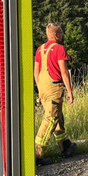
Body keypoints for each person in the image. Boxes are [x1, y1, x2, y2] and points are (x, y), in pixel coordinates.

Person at [34, 23, 76, 165]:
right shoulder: (59, 49)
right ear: (56, 35)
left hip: (43, 86)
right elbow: (64, 72)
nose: (63, 35)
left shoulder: (40, 49)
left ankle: (66, 146)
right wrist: (70, 91)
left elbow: (36, 72)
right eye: (61, 33)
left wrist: (39, 89)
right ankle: (37, 154)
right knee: (51, 118)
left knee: (58, 115)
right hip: (54, 87)